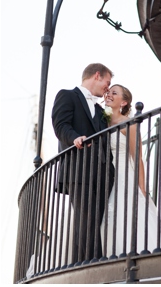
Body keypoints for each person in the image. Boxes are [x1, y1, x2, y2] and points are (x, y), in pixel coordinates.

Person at [51, 63, 114, 264]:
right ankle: (97, 266)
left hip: (102, 174)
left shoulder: (99, 109)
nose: (108, 87)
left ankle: (81, 266)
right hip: (78, 169)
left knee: (90, 222)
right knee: (86, 218)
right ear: (97, 75)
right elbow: (60, 125)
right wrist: (75, 138)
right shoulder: (67, 95)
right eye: (107, 82)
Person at [101, 84, 161, 255]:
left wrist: (142, 189)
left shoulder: (129, 124)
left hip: (124, 176)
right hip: (105, 176)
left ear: (124, 102)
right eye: (108, 92)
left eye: (114, 93)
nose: (109, 94)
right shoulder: (102, 121)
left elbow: (138, 158)